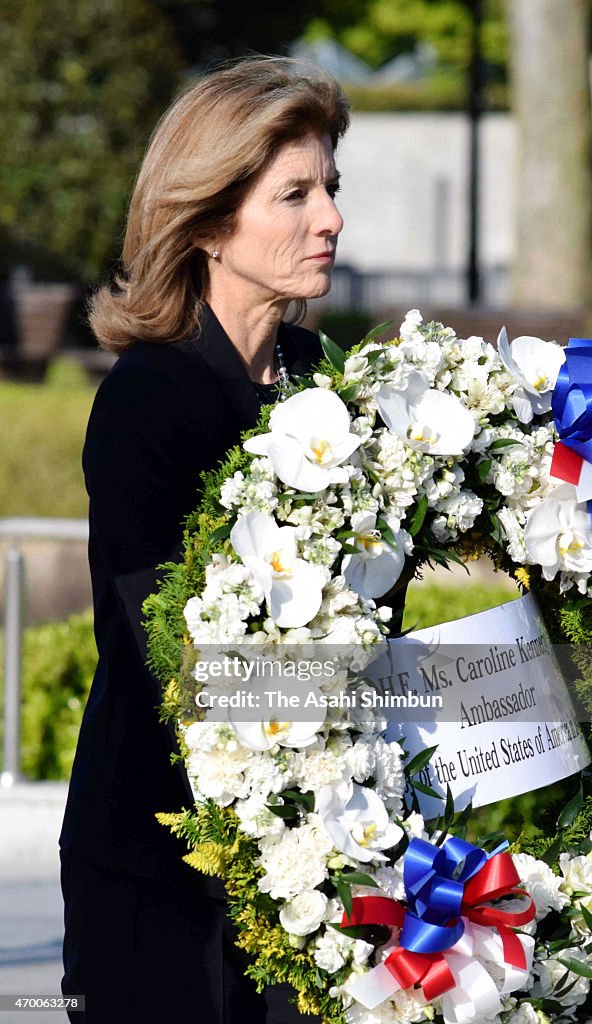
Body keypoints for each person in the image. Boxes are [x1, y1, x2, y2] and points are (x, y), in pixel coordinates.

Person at [59, 57, 349, 1023]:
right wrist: (421, 691)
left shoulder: (329, 384)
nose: (331, 220)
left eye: (330, 190)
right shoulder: (149, 399)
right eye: (296, 195)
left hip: (323, 860)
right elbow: (179, 666)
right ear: (211, 221)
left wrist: (524, 690)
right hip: (161, 879)